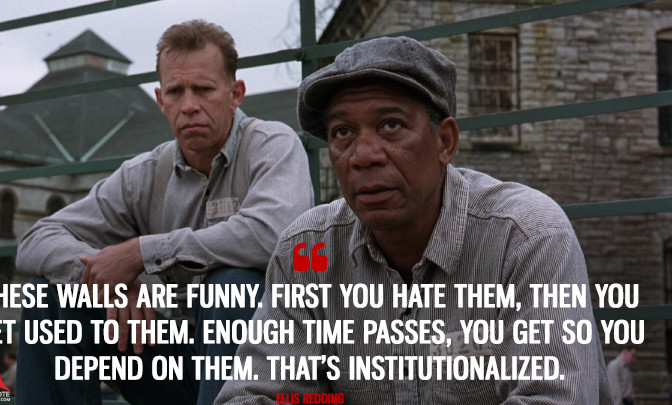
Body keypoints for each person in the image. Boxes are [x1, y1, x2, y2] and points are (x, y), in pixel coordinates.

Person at [216, 36, 612, 404]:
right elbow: (254, 396)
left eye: (391, 126)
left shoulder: (526, 237)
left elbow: (553, 397)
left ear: (445, 142)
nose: (363, 155)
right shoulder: (307, 253)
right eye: (342, 132)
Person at [14, 20, 314, 405]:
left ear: (235, 93)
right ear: (160, 100)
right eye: (175, 91)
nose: (189, 106)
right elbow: (36, 239)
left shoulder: (272, 145)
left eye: (204, 89)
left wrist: (141, 253)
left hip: (271, 363)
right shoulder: (147, 173)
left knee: (233, 284)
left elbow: (272, 235)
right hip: (179, 362)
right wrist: (108, 281)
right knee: (48, 295)